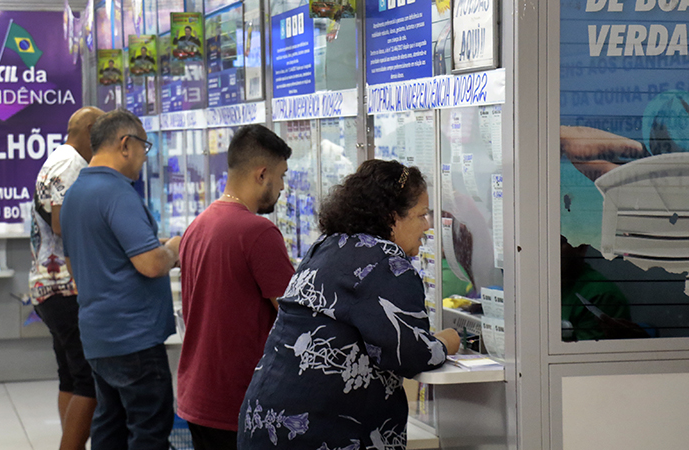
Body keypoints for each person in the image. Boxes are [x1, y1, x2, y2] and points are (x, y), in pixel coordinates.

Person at [238, 160, 461, 450]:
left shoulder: (329, 245)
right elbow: (410, 355)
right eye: (421, 215)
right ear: (393, 217)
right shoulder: (388, 264)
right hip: (316, 433)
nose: (428, 226)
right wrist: (446, 342)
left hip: (266, 422)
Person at [60, 109, 181, 450]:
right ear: (125, 144)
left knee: (109, 429)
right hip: (135, 340)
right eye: (144, 146)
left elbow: (77, 265)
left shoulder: (75, 193)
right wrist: (173, 248)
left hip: (99, 337)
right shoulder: (117, 193)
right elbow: (150, 264)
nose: (145, 156)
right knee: (148, 431)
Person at [177, 124, 295, 450]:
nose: (283, 186)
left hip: (198, 395)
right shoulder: (258, 233)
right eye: (281, 176)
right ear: (262, 174)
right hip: (238, 400)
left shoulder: (198, 226)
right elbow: (296, 314)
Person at [29, 105, 103, 450]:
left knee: (70, 376)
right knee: (88, 380)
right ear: (89, 131)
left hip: (47, 285)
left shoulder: (56, 158)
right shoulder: (72, 163)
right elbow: (61, 222)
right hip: (64, 286)